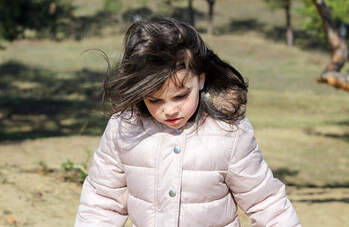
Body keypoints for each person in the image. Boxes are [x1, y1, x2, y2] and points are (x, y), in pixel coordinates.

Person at [75, 17, 301, 227]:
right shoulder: (124, 128)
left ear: (200, 79)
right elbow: (101, 203)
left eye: (180, 96)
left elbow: (267, 204)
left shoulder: (229, 133)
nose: (169, 109)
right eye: (154, 100)